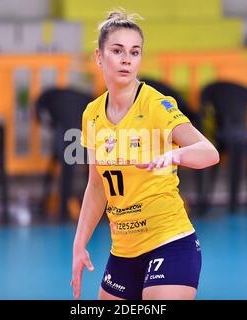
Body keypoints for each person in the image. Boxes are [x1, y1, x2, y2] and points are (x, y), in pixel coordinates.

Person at [71, 9, 220, 300]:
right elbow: (97, 185)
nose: (127, 59)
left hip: (170, 242)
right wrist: (79, 244)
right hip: (124, 251)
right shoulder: (92, 114)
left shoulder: (157, 105)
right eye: (117, 50)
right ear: (99, 57)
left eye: (134, 52)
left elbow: (209, 152)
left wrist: (174, 157)